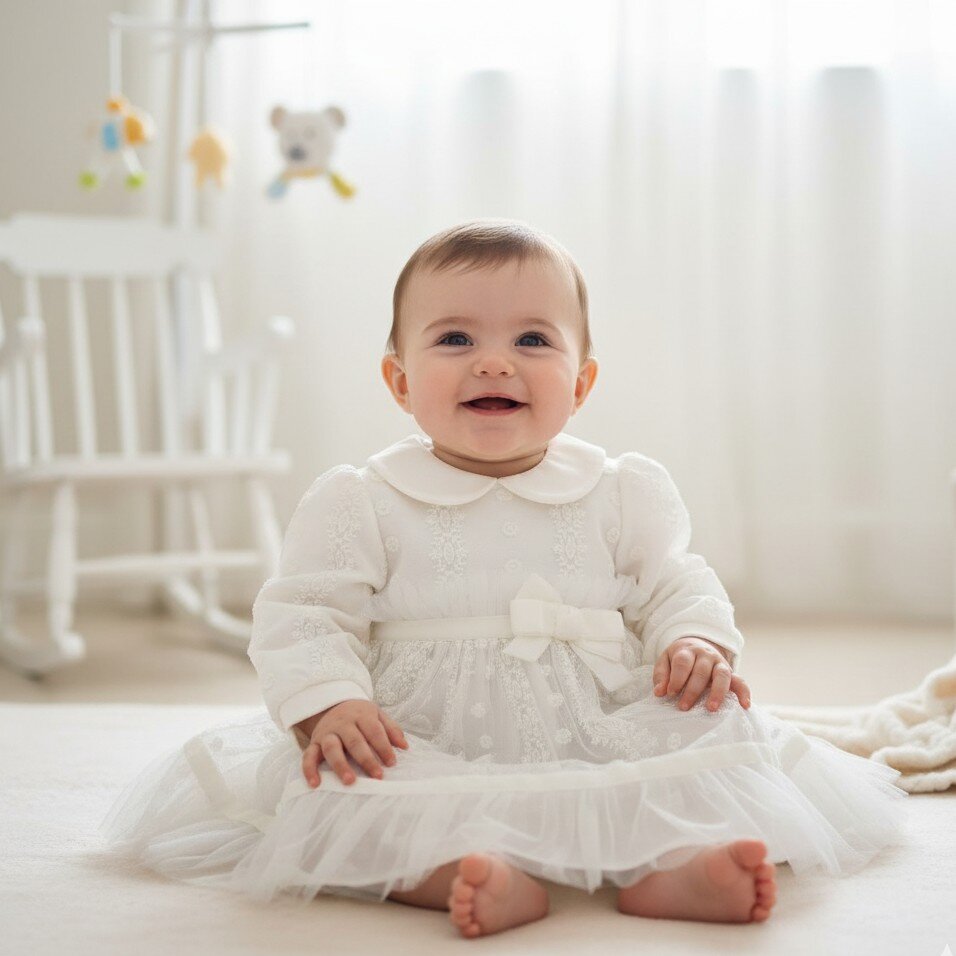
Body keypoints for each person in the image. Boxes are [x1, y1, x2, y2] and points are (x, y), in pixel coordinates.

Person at [101, 219, 907, 938]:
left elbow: (675, 581)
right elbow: (305, 612)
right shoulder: (363, 500)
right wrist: (331, 702)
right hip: (424, 725)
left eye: (532, 341)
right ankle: (456, 869)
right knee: (343, 789)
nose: (494, 361)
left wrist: (693, 639)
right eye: (455, 339)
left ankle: (673, 868)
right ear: (400, 381)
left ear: (581, 384)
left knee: (717, 734)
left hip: (596, 715)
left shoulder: (620, 491)